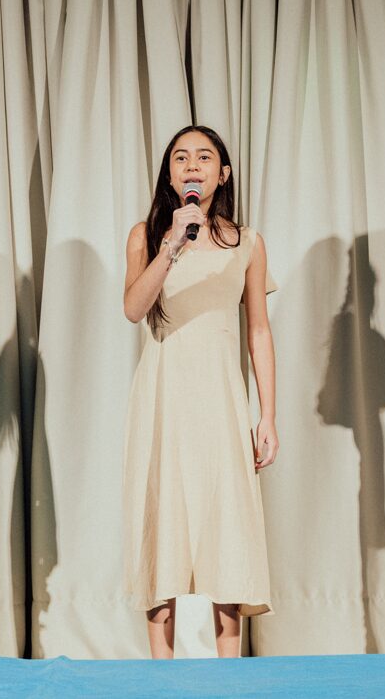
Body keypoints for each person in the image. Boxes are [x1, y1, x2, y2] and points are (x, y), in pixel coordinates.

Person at [122, 125, 279, 658]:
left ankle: (226, 674)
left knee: (225, 521)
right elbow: (133, 308)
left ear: (223, 173)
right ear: (170, 174)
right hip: (163, 395)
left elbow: (259, 331)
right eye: (181, 158)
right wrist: (171, 244)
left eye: (204, 157)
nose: (192, 166)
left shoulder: (248, 242)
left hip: (221, 397)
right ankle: (161, 676)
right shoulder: (147, 236)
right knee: (162, 516)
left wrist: (267, 415)